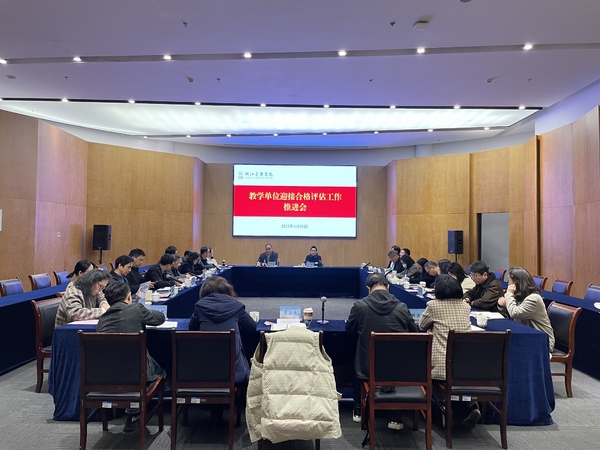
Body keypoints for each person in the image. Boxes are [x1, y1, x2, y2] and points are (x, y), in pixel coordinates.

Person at [345, 273, 417, 430]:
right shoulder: (402, 307)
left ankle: (358, 409)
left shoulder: (360, 306)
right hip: (398, 370)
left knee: (360, 351)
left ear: (368, 289)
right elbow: (415, 332)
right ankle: (396, 416)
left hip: (367, 368)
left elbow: (349, 330)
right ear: (388, 288)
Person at [97, 282, 166, 433]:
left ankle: (133, 411)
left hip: (106, 376)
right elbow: (160, 318)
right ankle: (138, 407)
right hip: (136, 374)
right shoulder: (136, 308)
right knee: (160, 367)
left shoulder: (102, 319)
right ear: (129, 297)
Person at [189, 276, 257, 427]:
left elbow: (191, 328)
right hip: (234, 372)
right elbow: (252, 327)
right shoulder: (236, 306)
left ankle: (215, 413)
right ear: (227, 290)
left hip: (203, 372)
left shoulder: (199, 307)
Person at [419, 275, 480, 430]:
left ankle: (444, 407)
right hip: (464, 367)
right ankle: (472, 406)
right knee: (457, 380)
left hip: (440, 367)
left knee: (431, 377)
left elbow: (421, 326)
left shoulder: (433, 306)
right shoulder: (466, 307)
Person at [498, 267, 555, 352]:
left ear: (517, 283)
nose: (508, 284)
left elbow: (515, 313)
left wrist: (509, 294)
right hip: (527, 335)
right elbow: (509, 312)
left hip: (543, 341)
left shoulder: (533, 298)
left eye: (509, 281)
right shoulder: (519, 295)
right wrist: (501, 305)